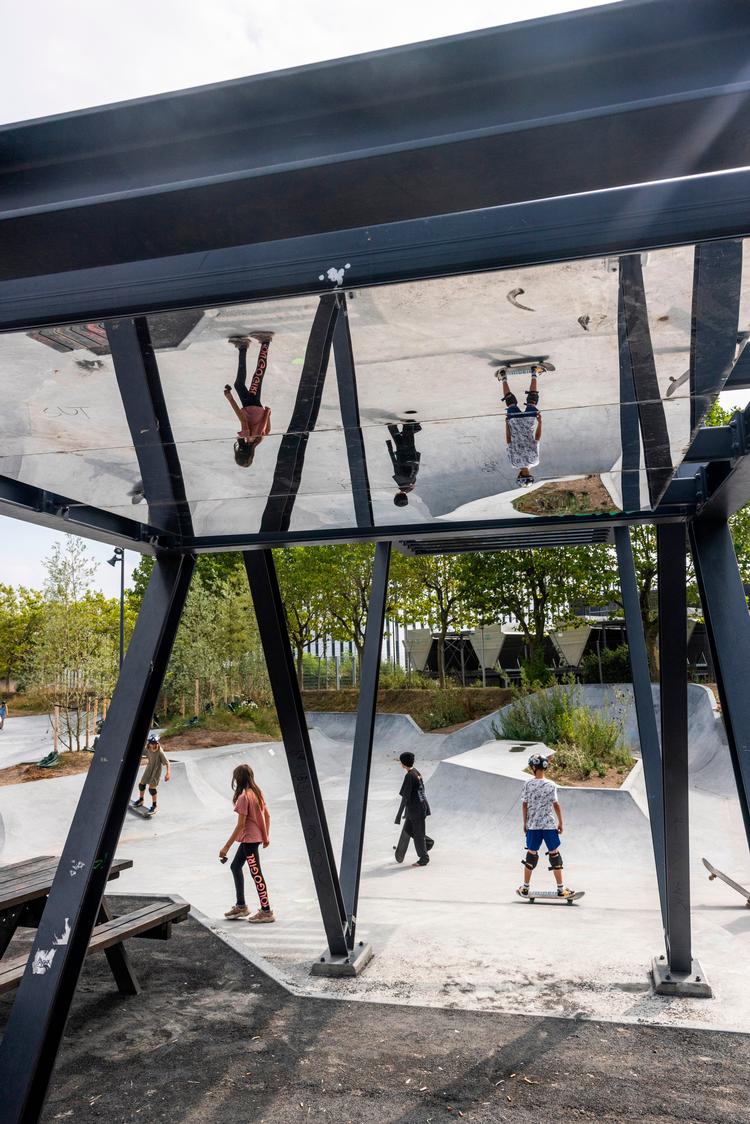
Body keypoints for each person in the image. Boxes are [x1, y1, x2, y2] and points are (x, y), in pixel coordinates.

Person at [220, 763, 275, 923]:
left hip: (249, 840)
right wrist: (265, 837)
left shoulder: (244, 798)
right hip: (252, 839)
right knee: (235, 866)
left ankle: (266, 911)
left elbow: (240, 825)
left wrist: (226, 847)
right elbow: (268, 816)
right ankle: (241, 906)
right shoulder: (257, 793)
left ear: (239, 779)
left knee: (256, 874)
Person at [517, 753, 575, 899]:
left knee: (531, 855)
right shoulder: (551, 785)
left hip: (534, 826)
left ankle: (525, 888)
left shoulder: (528, 784)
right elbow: (556, 805)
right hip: (549, 826)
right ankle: (561, 889)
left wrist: (525, 823)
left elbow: (524, 805)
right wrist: (561, 822)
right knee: (554, 855)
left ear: (534, 767)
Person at [223, 333, 274, 467]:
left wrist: (267, 414)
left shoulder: (257, 440)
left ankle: (243, 347)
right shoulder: (248, 437)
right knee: (257, 375)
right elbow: (243, 419)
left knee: (242, 383)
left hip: (254, 406)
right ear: (240, 452)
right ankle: (265, 342)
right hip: (251, 405)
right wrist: (229, 398)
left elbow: (267, 430)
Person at [498, 365, 544, 487]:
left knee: (532, 399)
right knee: (510, 402)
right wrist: (507, 424)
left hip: (528, 423)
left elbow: (537, 439)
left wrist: (540, 422)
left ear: (529, 475)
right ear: (519, 476)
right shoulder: (514, 463)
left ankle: (534, 372)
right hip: (515, 423)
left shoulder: (535, 461)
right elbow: (509, 441)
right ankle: (503, 376)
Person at [395, 751, 433, 867]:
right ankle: (428, 843)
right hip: (419, 808)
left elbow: (405, 798)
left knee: (418, 834)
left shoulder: (409, 776)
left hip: (417, 810)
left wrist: (398, 816)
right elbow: (420, 792)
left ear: (403, 763)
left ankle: (423, 858)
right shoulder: (416, 772)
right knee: (409, 830)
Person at [132, 734, 170, 815]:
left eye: (155, 743)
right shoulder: (147, 748)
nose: (153, 745)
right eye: (151, 743)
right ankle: (141, 800)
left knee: (151, 789)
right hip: (148, 769)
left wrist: (168, 773)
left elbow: (167, 763)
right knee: (141, 785)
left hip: (156, 772)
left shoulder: (160, 751)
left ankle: (154, 805)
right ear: (149, 743)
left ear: (157, 743)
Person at [386, 421, 422, 507]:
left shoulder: (410, 487)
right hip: (404, 456)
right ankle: (409, 425)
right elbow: (395, 463)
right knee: (406, 437)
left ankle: (411, 427)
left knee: (404, 441)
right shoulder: (401, 482)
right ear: (396, 497)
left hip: (413, 458)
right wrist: (389, 448)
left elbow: (414, 472)